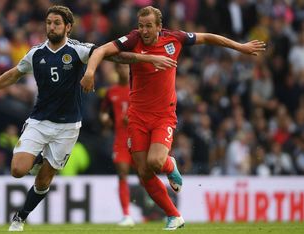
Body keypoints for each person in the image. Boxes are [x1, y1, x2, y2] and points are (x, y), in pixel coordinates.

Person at [0, 5, 176, 232]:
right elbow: (13, 74)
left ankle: (20, 217)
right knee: (17, 170)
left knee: (44, 181)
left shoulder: (78, 50)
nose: (52, 26)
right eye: (49, 22)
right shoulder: (36, 53)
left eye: (57, 23)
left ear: (68, 27)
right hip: (39, 121)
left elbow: (115, 55)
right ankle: (37, 162)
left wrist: (147, 59)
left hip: (68, 127)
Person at [80, 6, 266, 230]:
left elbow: (207, 37)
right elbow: (101, 51)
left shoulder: (175, 38)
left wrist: (240, 47)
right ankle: (174, 215)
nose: (144, 30)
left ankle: (170, 165)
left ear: (159, 27)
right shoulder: (133, 39)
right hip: (137, 116)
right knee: (143, 171)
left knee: (155, 162)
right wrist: (90, 72)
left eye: (149, 26)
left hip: (163, 115)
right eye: (141, 26)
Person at [99, 63, 134, 226]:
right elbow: (103, 110)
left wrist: (133, 117)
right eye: (121, 68)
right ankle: (126, 215)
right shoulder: (111, 92)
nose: (124, 70)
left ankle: (160, 209)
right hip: (120, 139)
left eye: (126, 67)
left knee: (145, 176)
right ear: (116, 70)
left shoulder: (137, 88)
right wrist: (104, 118)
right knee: (122, 174)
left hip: (138, 138)